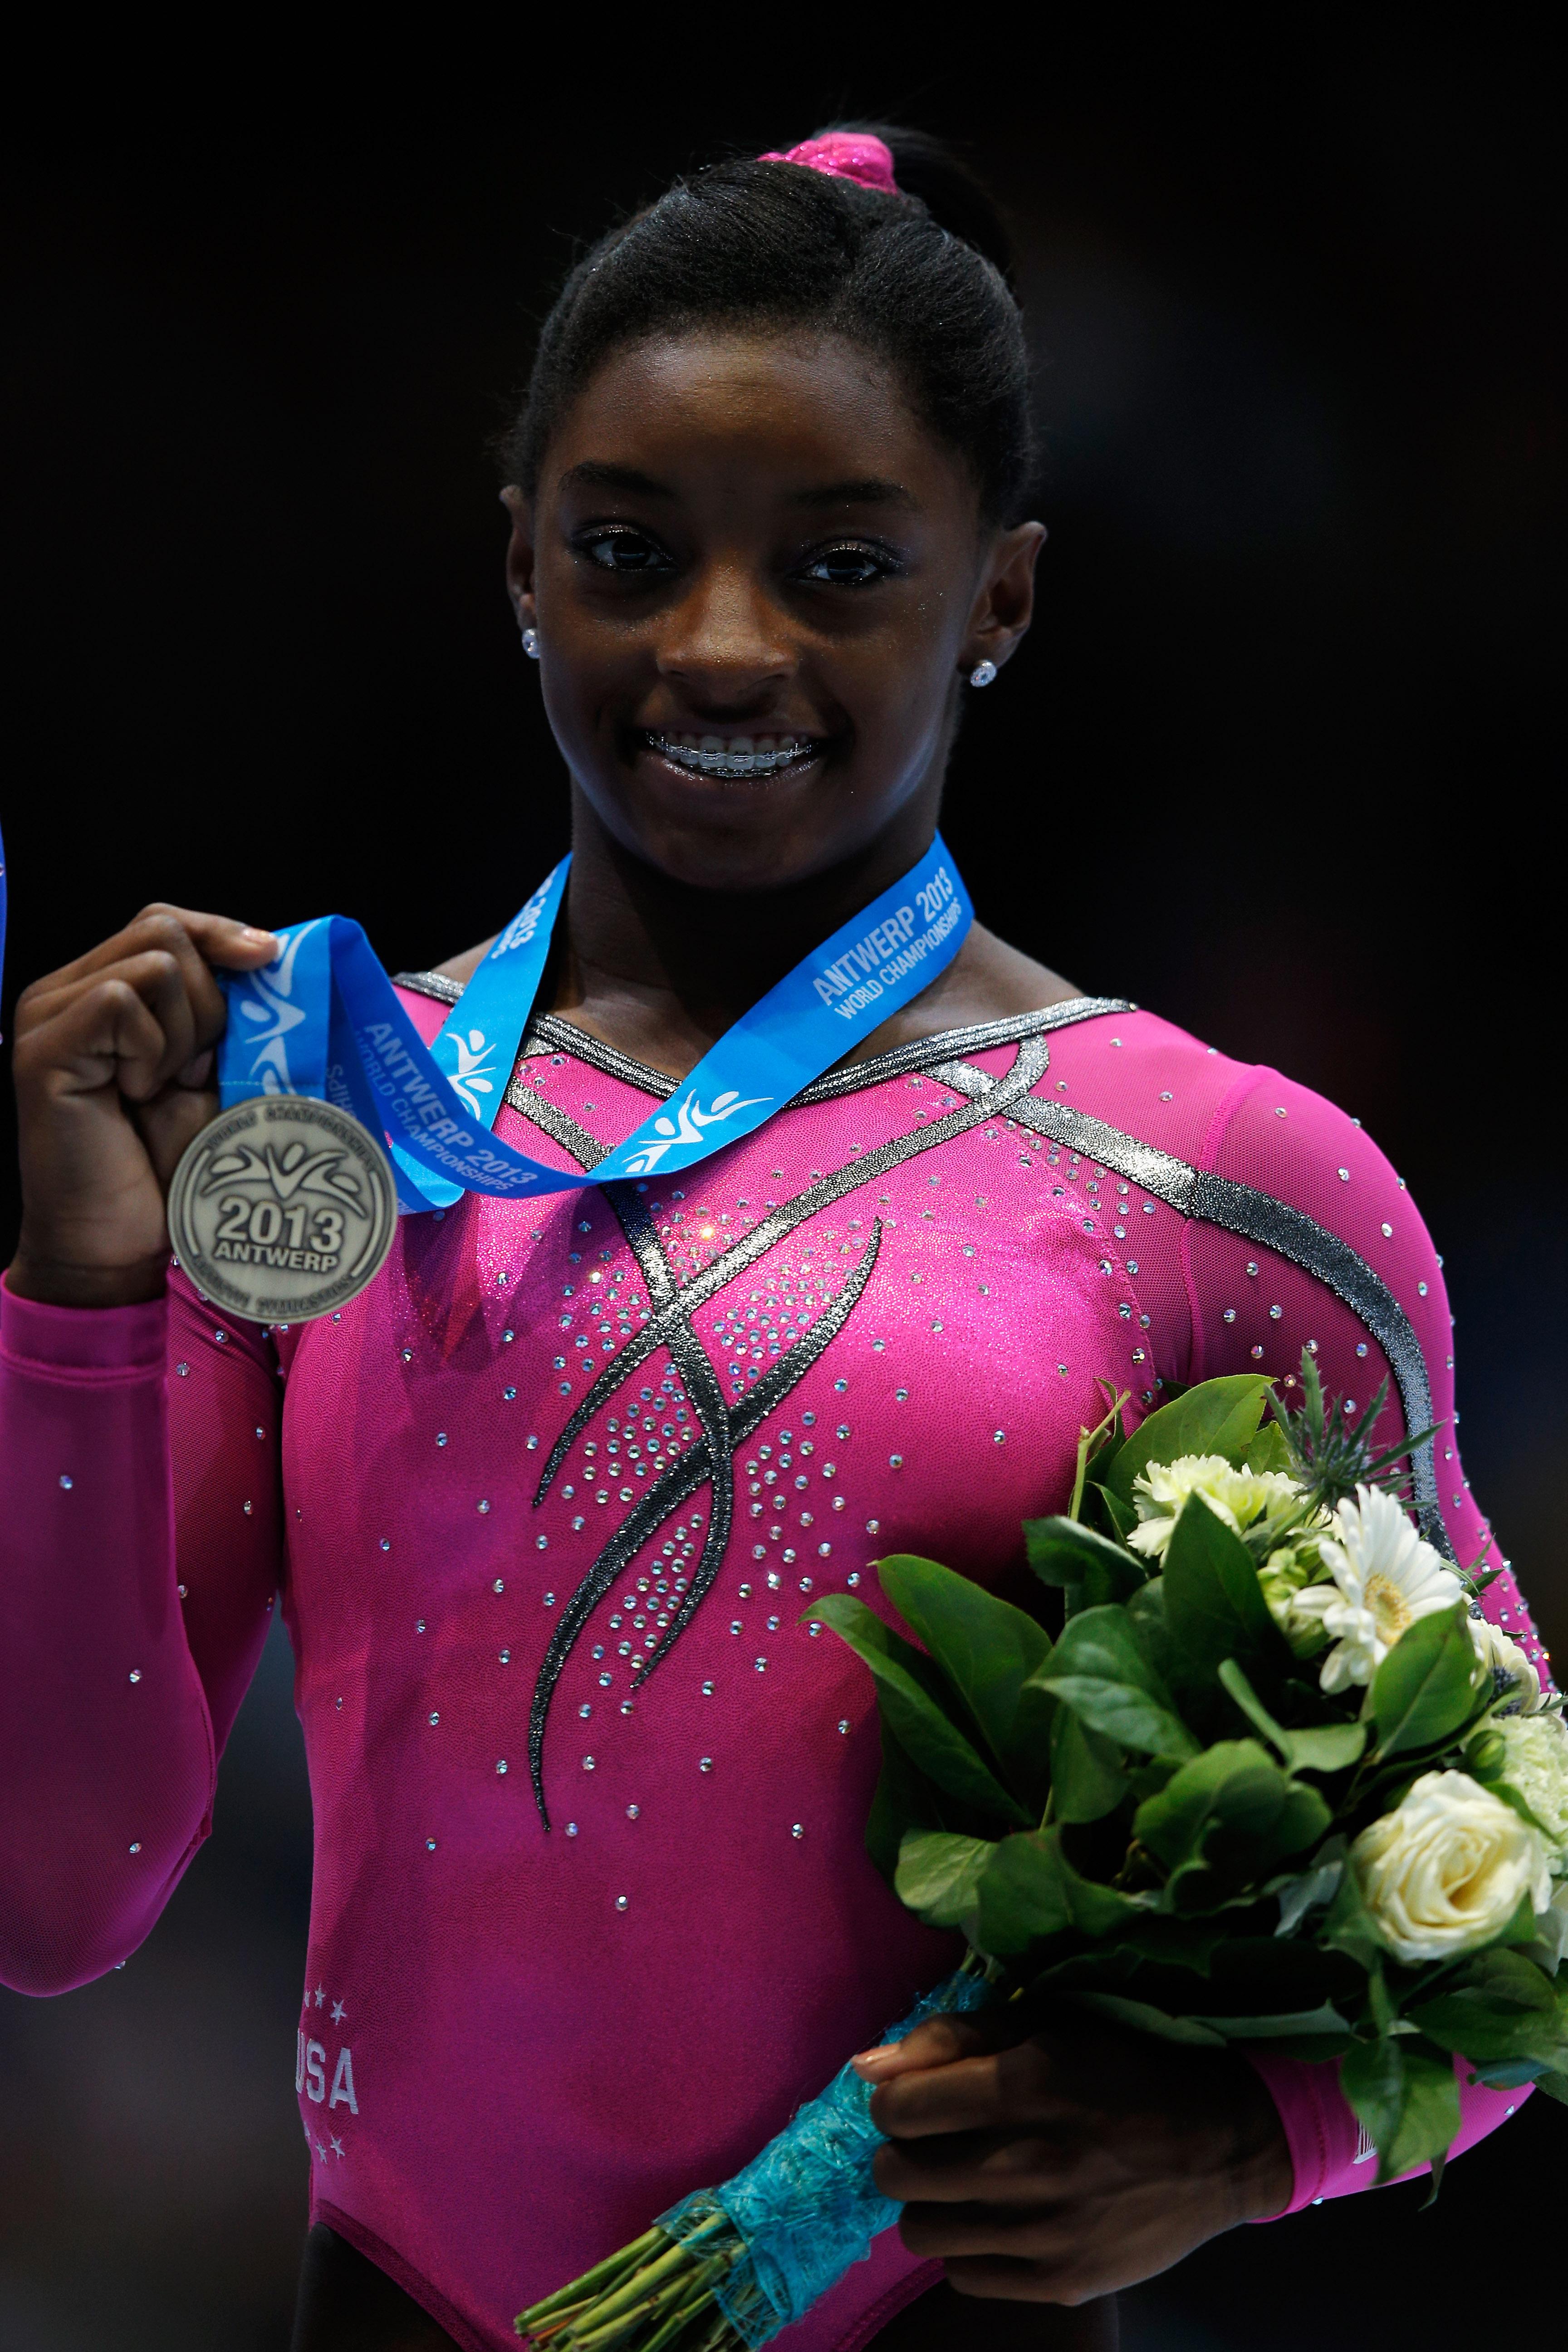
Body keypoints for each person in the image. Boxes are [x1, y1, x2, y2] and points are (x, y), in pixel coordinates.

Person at [0, 126, 1543, 2352]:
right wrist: (76, 1297)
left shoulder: (1221, 1179)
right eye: (630, 551)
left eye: (840, 567)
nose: (721, 646)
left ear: (999, 597)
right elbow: (54, 1898)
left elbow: (1521, 1872)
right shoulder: (321, 1122)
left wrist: (1247, 2140)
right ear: (521, 559)